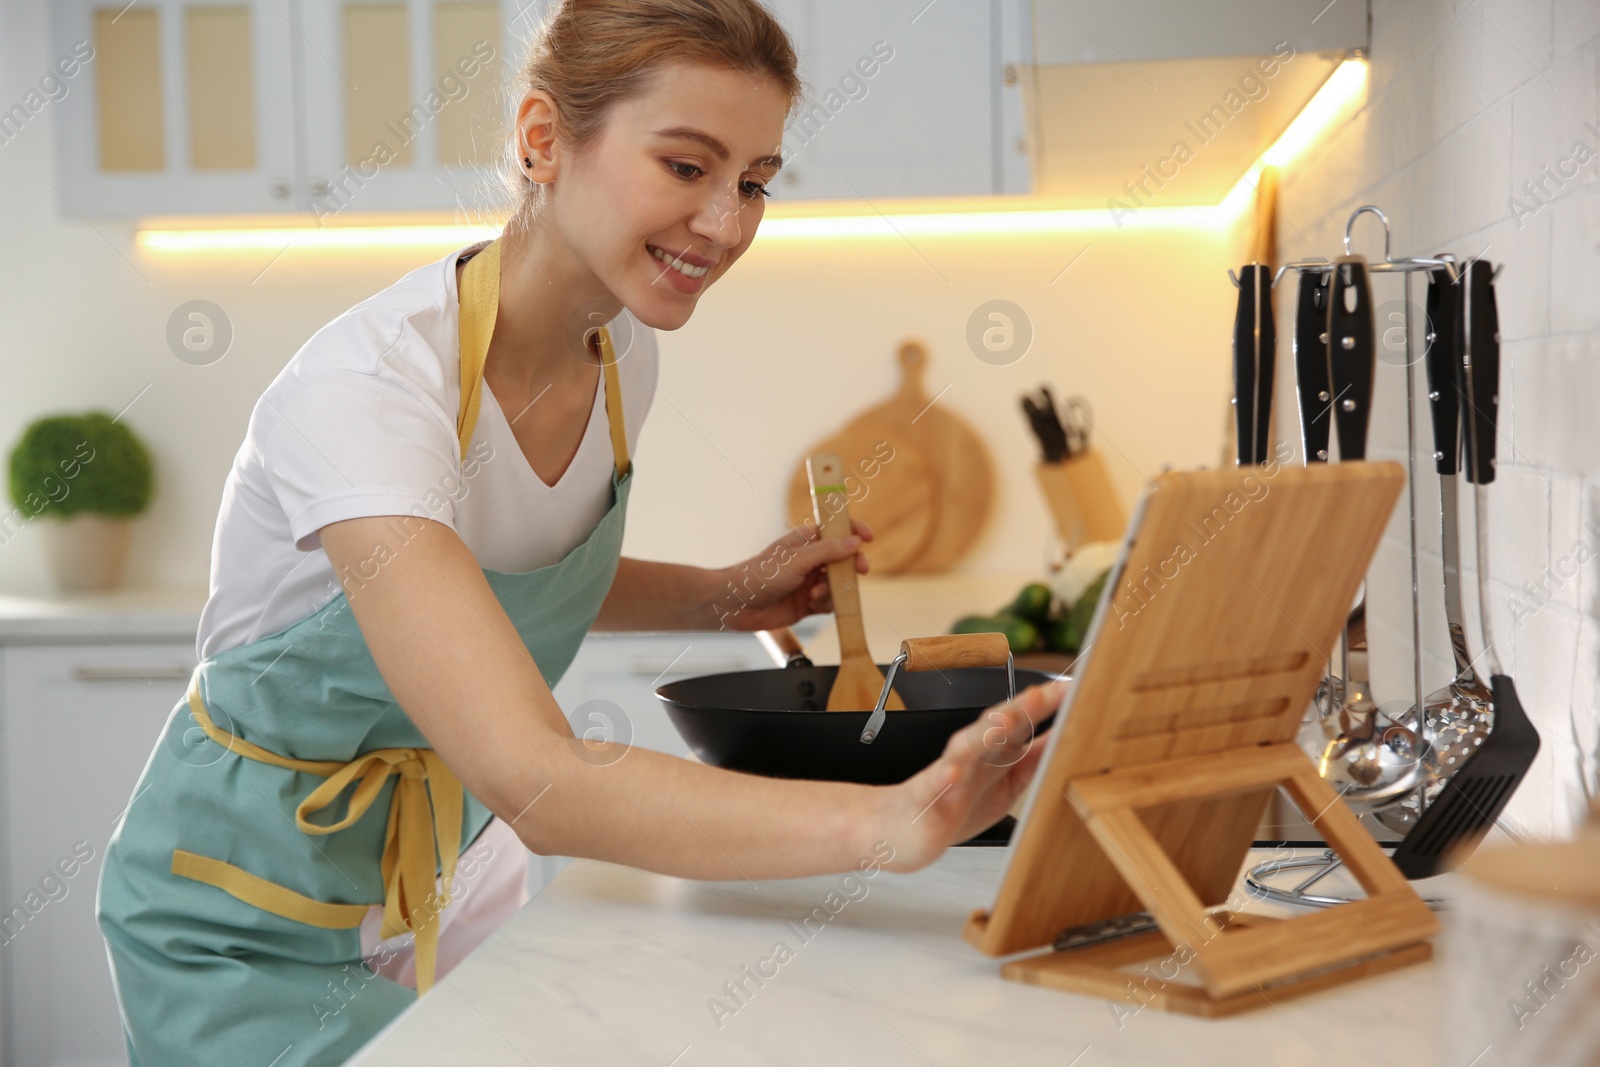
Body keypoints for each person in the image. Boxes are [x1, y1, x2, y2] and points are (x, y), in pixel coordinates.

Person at [96, 1, 1064, 1062]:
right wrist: (888, 823)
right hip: (243, 922)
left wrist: (723, 591)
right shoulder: (370, 394)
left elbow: (498, 580)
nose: (727, 223)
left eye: (753, 181)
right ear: (543, 139)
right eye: (687, 167)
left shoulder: (618, 355)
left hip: (436, 883)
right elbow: (535, 776)